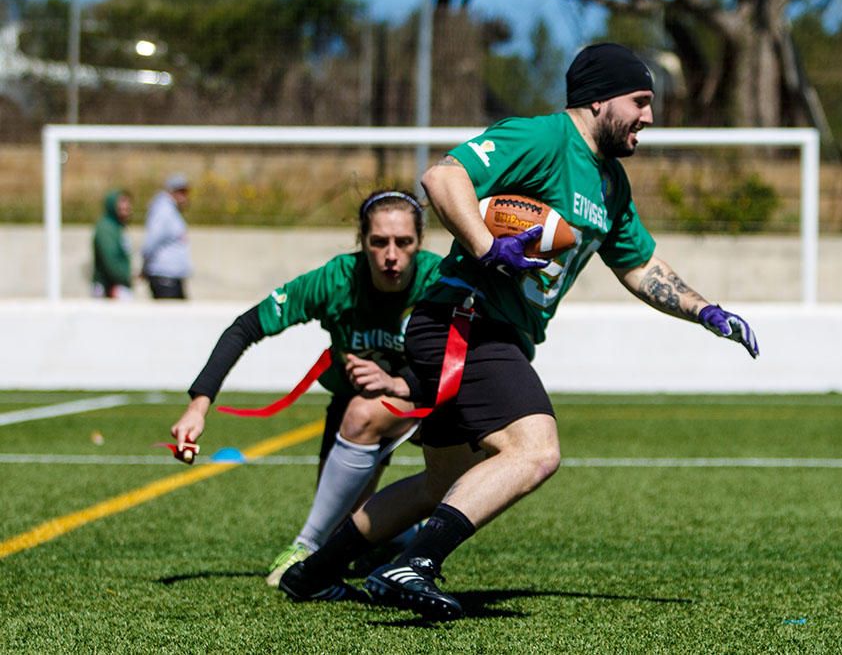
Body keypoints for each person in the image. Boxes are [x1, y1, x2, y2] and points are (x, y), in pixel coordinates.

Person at [279, 43, 760, 620]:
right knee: (535, 450)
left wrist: (705, 311)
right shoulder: (541, 138)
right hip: (466, 322)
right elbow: (442, 176)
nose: (649, 118)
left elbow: (638, 266)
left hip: (475, 331)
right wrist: (487, 248)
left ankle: (311, 574)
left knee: (442, 483)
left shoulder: (611, 186)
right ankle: (417, 563)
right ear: (599, 99)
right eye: (641, 102)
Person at [168, 190, 455, 589]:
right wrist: (198, 407)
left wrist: (399, 382)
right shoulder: (335, 280)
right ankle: (399, 535)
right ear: (362, 241)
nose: (391, 255)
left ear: (419, 243)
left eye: (403, 243)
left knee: (361, 417)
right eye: (379, 242)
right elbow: (245, 327)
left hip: (433, 402)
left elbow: (468, 358)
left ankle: (305, 547)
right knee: (347, 521)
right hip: (354, 401)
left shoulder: (440, 280)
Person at [142, 173, 192, 299]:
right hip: (164, 275)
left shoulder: (172, 211)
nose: (184, 196)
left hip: (173, 275)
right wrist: (146, 265)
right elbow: (151, 240)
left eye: (185, 192)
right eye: (180, 192)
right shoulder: (163, 211)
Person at [92, 189, 134, 300]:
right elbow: (110, 259)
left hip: (119, 285)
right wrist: (120, 279)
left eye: (127, 202)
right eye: (122, 202)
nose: (126, 207)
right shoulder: (106, 229)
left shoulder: (118, 228)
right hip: (110, 287)